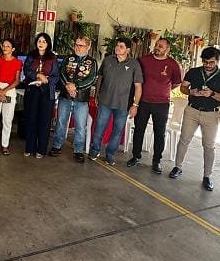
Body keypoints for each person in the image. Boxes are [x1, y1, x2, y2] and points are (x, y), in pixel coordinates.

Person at [169, 46, 220, 191]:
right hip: (192, 110)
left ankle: (207, 176)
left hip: (211, 114)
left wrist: (212, 94)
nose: (208, 65)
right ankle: (177, 167)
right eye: (205, 62)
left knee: (209, 146)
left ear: (217, 61)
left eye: (211, 62)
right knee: (184, 139)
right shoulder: (194, 72)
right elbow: (183, 88)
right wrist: (190, 92)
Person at [127, 38, 181, 174]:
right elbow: (135, 78)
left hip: (162, 104)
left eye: (161, 46)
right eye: (156, 45)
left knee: (159, 133)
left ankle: (157, 161)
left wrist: (162, 90)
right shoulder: (143, 60)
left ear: (167, 49)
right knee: (139, 129)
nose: (157, 47)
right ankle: (135, 156)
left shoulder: (173, 64)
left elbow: (176, 83)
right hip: (143, 102)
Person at [89, 38, 143, 165]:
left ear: (128, 50)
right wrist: (96, 94)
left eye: (121, 46)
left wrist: (135, 105)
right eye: (117, 45)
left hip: (123, 104)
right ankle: (95, 150)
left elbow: (138, 86)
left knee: (117, 131)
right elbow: (100, 78)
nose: (117, 48)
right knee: (99, 127)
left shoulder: (134, 64)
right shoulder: (108, 60)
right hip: (105, 101)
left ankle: (110, 154)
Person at [49, 35, 98, 163]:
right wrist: (68, 86)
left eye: (80, 45)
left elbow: (91, 79)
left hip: (81, 99)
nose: (77, 47)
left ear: (88, 47)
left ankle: (78, 151)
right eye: (76, 44)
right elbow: (62, 73)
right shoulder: (68, 58)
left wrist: (75, 86)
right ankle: (57, 146)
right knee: (61, 123)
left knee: (80, 126)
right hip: (65, 96)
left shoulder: (92, 62)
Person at [22, 32, 59, 158]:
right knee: (31, 118)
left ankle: (41, 150)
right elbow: (26, 70)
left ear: (48, 44)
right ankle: (29, 147)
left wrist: (46, 80)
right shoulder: (31, 55)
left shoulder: (53, 58)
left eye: (44, 41)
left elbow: (56, 76)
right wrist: (37, 75)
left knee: (44, 120)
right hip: (32, 90)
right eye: (39, 41)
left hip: (47, 92)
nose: (41, 43)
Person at [0, 38, 23, 155]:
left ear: (13, 49)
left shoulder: (18, 62)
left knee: (7, 119)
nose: (5, 48)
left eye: (8, 46)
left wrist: (4, 91)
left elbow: (17, 80)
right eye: (3, 45)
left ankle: (5, 145)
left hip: (10, 90)